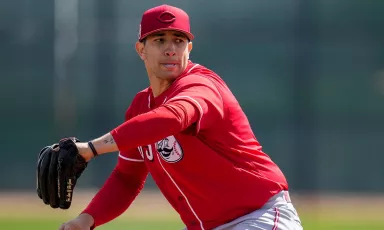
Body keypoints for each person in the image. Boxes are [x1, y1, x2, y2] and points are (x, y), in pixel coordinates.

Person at [58, 4, 303, 230]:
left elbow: (172, 117)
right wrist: (85, 220)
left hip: (258, 217)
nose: (170, 49)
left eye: (178, 40)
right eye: (159, 40)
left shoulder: (202, 85)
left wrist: (91, 148)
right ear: (141, 49)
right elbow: (126, 178)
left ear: (189, 48)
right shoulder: (140, 106)